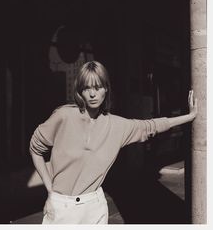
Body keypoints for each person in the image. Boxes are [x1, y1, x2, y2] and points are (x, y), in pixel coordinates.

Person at [29, 60, 197, 224]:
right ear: (80, 91)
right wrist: (51, 192)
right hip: (61, 206)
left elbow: (151, 126)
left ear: (106, 89)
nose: (93, 94)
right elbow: (35, 149)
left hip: (94, 206)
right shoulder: (63, 116)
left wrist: (189, 117)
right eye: (87, 88)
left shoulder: (117, 125)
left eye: (98, 87)